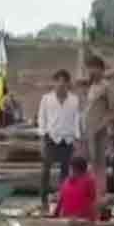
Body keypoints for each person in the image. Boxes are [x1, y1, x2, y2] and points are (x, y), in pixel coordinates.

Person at [37, 70, 81, 208]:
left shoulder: (74, 100)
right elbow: (41, 118)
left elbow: (77, 119)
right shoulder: (46, 98)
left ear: (68, 84)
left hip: (67, 139)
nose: (61, 85)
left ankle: (63, 199)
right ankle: (43, 199)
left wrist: (77, 137)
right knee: (46, 169)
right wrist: (43, 135)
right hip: (51, 137)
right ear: (54, 83)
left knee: (65, 171)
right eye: (58, 82)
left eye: (64, 82)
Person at [83, 55, 114, 199]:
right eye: (88, 69)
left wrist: (104, 124)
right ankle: (93, 193)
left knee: (99, 164)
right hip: (89, 131)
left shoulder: (106, 87)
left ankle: (100, 194)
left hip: (99, 132)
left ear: (100, 69)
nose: (90, 72)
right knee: (92, 163)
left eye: (93, 68)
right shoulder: (92, 87)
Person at [54, 156, 97, 221]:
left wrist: (56, 214)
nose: (69, 170)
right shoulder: (67, 181)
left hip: (75, 218)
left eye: (70, 168)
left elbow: (92, 200)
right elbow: (61, 199)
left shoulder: (88, 181)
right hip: (75, 218)